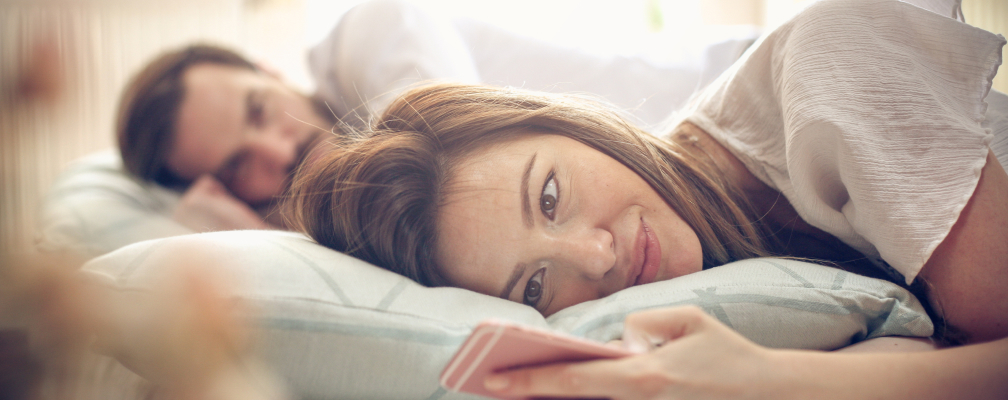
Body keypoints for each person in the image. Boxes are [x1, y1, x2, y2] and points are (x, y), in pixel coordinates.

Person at [288, 0, 1008, 397]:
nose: (595, 257)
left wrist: (776, 379)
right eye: (536, 283)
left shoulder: (826, 74)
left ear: (564, 119)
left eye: (548, 194)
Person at [39, 0, 743, 258]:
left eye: (258, 110)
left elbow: (448, 198)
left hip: (741, 97)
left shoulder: (372, 33)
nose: (279, 148)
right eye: (235, 168)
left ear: (269, 69)